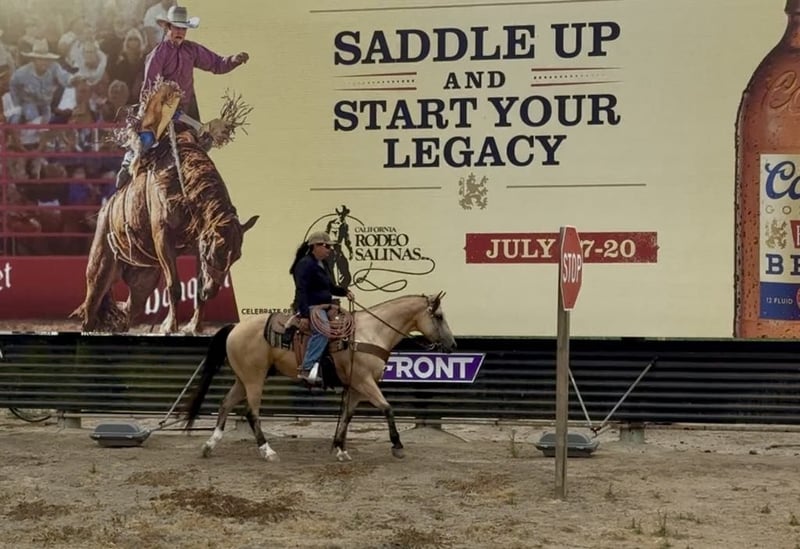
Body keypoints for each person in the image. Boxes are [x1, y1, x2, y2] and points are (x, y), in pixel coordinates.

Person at [115, 4, 250, 189]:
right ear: (168, 28)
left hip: (185, 108)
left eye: (183, 28)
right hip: (159, 109)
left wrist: (233, 60)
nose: (180, 32)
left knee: (204, 142)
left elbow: (216, 63)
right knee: (146, 140)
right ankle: (127, 163)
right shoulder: (158, 55)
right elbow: (149, 89)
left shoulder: (191, 50)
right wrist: (155, 111)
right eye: (176, 27)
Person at [290, 231, 354, 385]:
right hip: (311, 307)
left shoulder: (322, 264)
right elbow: (301, 290)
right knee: (323, 331)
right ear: (315, 246)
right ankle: (307, 367)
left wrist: (345, 292)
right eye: (326, 246)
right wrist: (304, 315)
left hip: (324, 307)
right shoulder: (305, 264)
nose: (329, 250)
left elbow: (330, 287)